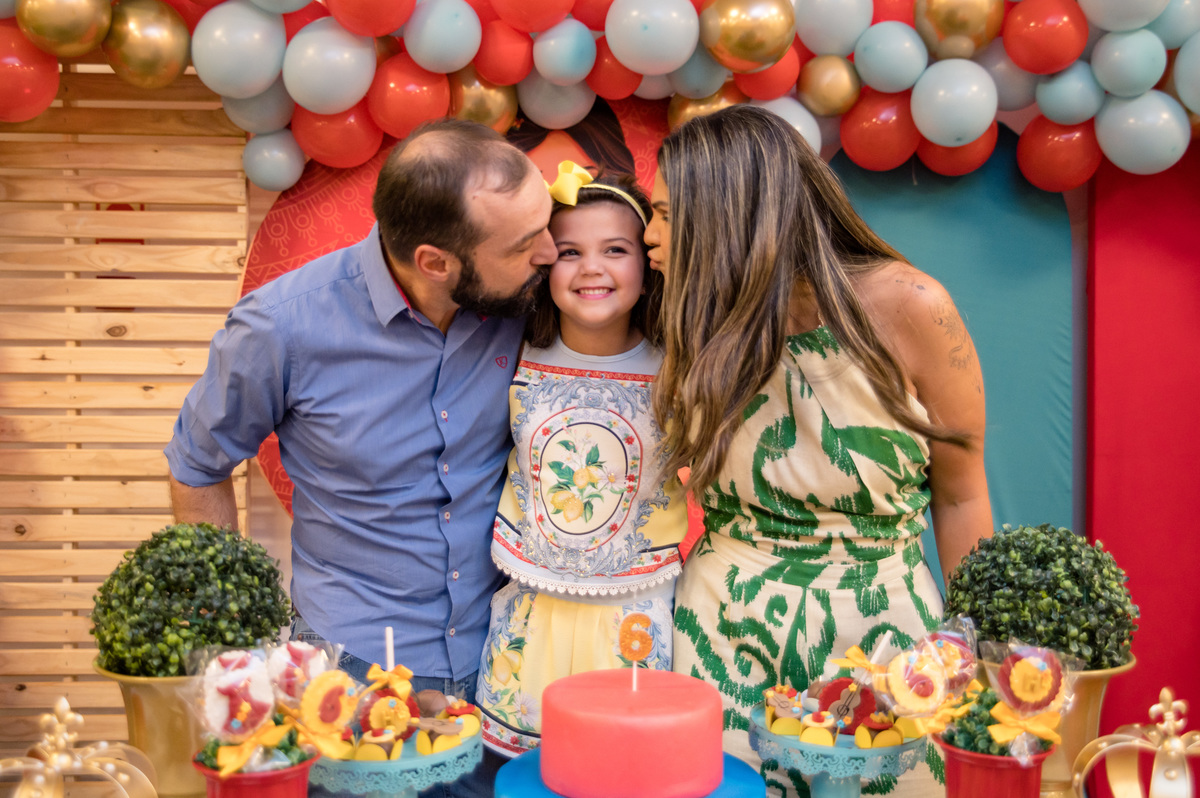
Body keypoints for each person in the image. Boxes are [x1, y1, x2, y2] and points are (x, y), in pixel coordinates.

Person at [164, 119, 558, 797]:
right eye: (526, 243)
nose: (551, 252)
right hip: (350, 680)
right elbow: (197, 464)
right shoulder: (281, 325)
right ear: (436, 261)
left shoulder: (525, 300)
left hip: (505, 669)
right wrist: (240, 652)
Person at [644, 105, 993, 796]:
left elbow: (961, 492)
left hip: (890, 635)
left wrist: (972, 647)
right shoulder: (691, 310)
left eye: (662, 213)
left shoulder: (914, 305)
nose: (648, 235)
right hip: (724, 632)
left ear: (727, 213)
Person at [475, 164, 688, 757]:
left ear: (648, 266)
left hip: (634, 614)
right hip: (530, 609)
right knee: (523, 776)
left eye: (615, 249)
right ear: (544, 268)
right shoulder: (511, 353)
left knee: (623, 768)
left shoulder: (682, 366)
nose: (592, 267)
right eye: (570, 251)